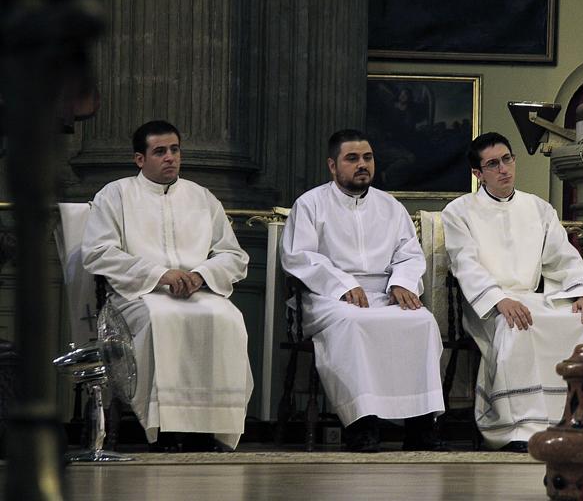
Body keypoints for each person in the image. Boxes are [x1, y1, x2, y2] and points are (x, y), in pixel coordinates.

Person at [82, 120, 253, 451]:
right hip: (138, 294)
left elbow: (234, 255)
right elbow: (98, 252)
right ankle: (166, 429)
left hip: (197, 291)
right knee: (162, 320)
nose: (170, 157)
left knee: (228, 318)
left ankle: (212, 428)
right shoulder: (115, 195)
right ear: (139, 159)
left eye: (175, 150)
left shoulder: (202, 198)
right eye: (160, 151)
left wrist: (201, 274)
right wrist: (159, 274)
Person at [280, 129, 445, 452]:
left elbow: (409, 254)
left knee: (421, 322)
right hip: (327, 297)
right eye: (352, 158)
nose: (362, 165)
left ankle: (421, 423)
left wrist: (401, 283)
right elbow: (299, 256)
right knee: (354, 323)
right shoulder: (311, 204)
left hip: (384, 293)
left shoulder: (390, 206)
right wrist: (343, 285)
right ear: (332, 165)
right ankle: (362, 423)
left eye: (367, 158)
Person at [441, 132, 583, 452]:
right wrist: (498, 299)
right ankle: (520, 425)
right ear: (477, 173)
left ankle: (571, 418)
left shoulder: (538, 208)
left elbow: (563, 257)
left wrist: (581, 292)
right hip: (488, 303)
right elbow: (464, 262)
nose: (504, 169)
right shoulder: (459, 211)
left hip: (531, 297)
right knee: (518, 326)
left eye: (507, 159)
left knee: (580, 321)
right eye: (493, 164)